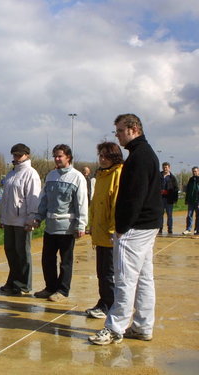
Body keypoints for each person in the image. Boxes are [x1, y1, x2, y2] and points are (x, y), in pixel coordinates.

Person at [89, 113, 162, 345]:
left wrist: (122, 227)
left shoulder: (140, 157)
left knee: (125, 280)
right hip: (147, 226)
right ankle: (142, 326)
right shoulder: (143, 154)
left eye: (120, 131)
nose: (117, 135)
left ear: (133, 129)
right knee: (143, 279)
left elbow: (134, 197)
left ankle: (114, 327)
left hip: (135, 228)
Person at [32, 144, 88, 302]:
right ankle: (50, 287)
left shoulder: (77, 177)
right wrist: (38, 217)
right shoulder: (50, 176)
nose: (56, 159)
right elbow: (44, 200)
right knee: (47, 259)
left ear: (68, 157)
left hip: (67, 229)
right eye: (55, 156)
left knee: (65, 262)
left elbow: (81, 203)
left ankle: (62, 290)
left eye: (60, 156)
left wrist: (81, 224)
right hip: (50, 227)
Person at [86, 142, 123, 319]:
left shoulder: (117, 174)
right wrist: (91, 224)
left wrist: (112, 229)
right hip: (99, 232)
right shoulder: (100, 175)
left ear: (114, 157)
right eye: (100, 155)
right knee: (101, 271)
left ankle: (110, 304)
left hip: (110, 234)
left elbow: (116, 204)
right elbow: (95, 203)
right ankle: (103, 301)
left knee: (109, 272)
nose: (101, 159)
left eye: (105, 156)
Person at [0, 143, 41, 295]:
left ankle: (24, 284)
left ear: (26, 155)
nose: (16, 157)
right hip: (9, 220)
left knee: (22, 252)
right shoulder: (11, 174)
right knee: (10, 251)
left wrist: (32, 219)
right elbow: (5, 198)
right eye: (14, 155)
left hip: (22, 220)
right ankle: (13, 280)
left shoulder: (31, 174)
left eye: (19, 155)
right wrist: (1, 217)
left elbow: (33, 198)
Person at [159, 162, 178, 234]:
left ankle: (170, 229)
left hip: (169, 200)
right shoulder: (159, 176)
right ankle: (160, 229)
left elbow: (176, 189)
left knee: (169, 215)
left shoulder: (172, 178)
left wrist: (175, 199)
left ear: (169, 168)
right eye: (163, 167)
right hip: (160, 199)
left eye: (166, 167)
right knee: (160, 214)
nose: (165, 168)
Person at [183, 166, 199, 235]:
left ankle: (196, 229)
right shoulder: (191, 179)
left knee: (198, 216)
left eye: (195, 171)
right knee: (189, 215)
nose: (194, 172)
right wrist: (186, 200)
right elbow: (188, 190)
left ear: (198, 171)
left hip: (197, 201)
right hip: (191, 201)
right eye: (193, 171)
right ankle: (188, 229)